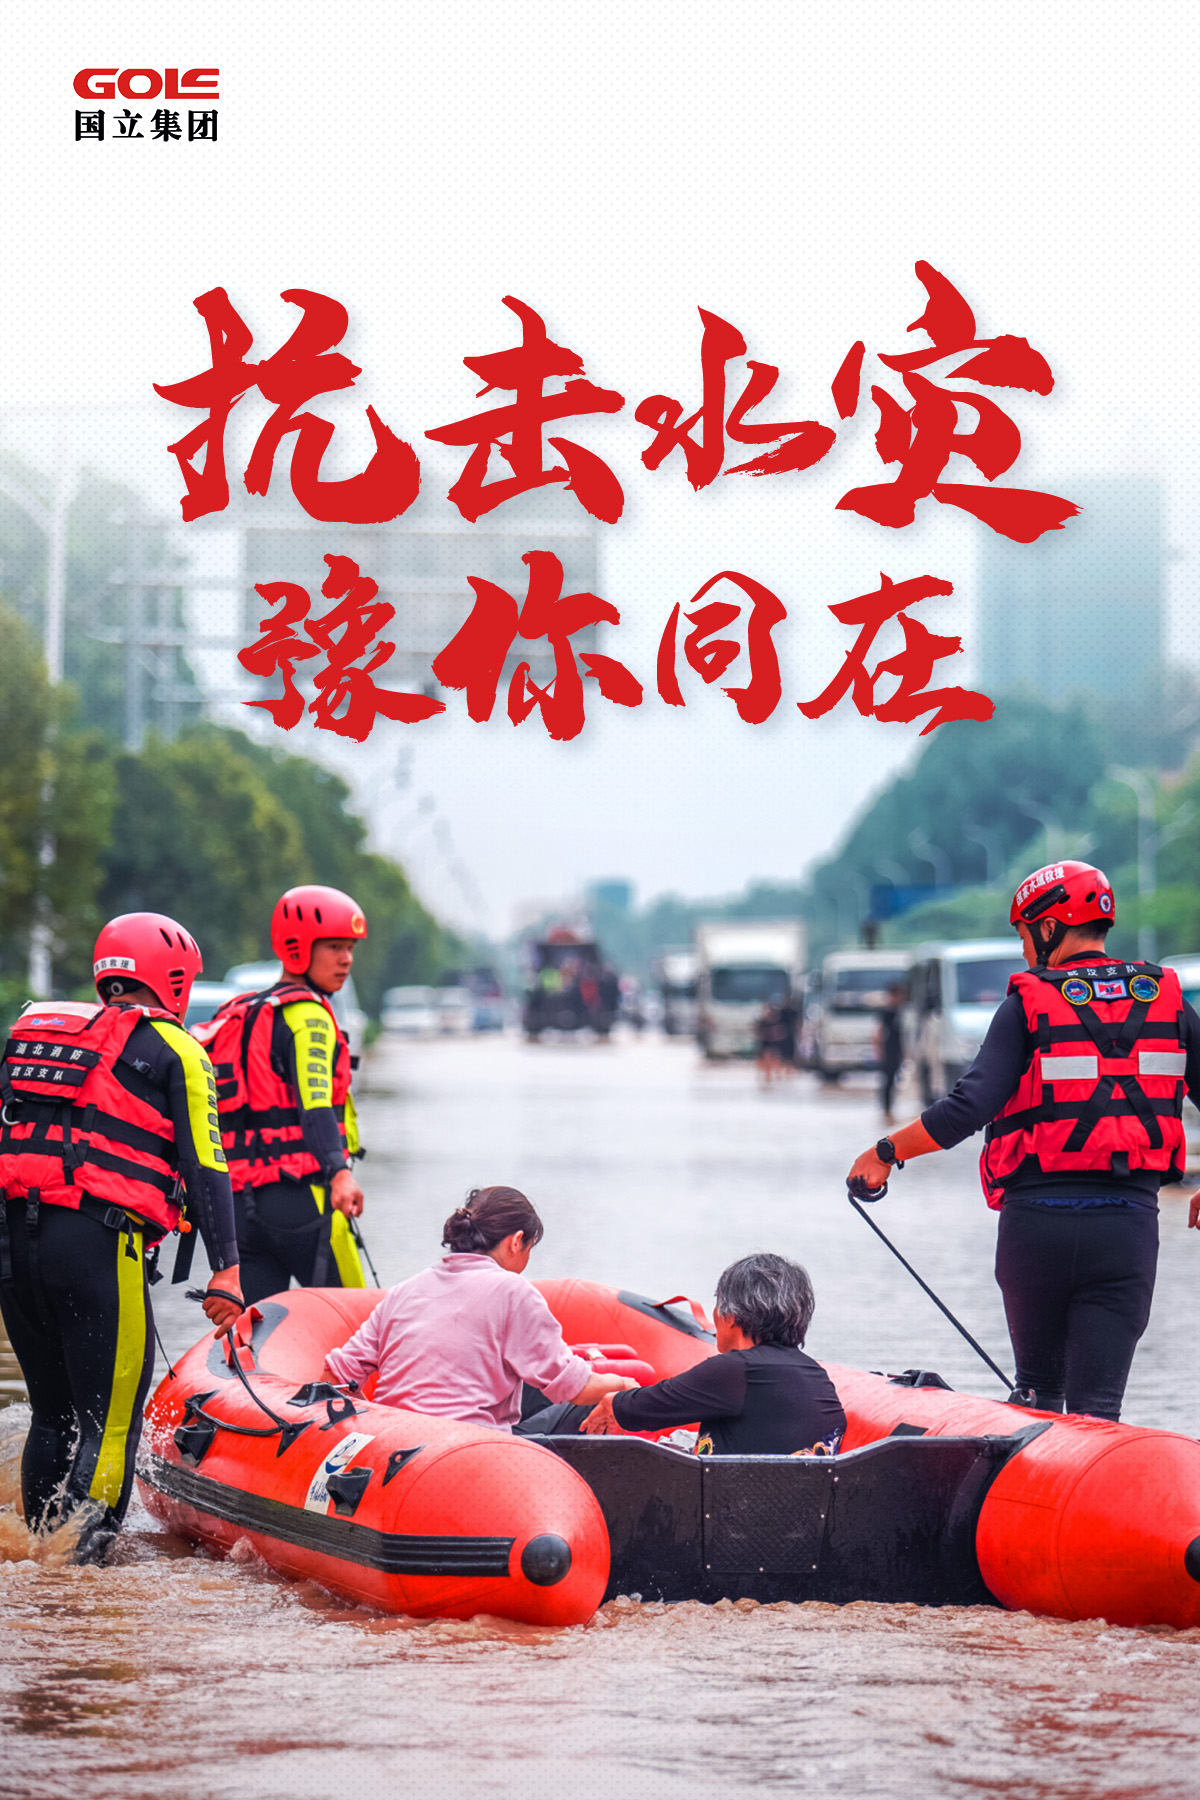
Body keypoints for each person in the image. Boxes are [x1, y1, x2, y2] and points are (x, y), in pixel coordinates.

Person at [847, 861, 1200, 1422]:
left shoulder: (1026, 1003)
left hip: (1037, 1229)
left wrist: (884, 1153)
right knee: (1098, 1413)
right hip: (1127, 1228)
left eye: (1024, 935)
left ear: (1049, 927)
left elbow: (968, 1107)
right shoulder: (1168, 999)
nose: (1024, 950)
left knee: (1037, 1395)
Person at [0, 912, 243, 1562]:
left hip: (13, 1248)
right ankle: (80, 1576)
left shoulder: (40, 1038)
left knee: (51, 1415)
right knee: (107, 1425)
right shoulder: (177, 1050)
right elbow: (207, 1165)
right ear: (175, 978)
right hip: (97, 1248)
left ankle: (37, 1564)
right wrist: (226, 1268)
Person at [321, 1185, 637, 1428]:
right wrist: (625, 1389)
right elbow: (576, 1388)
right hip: (473, 1456)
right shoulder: (513, 1292)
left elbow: (335, 1375)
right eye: (530, 1248)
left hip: (395, 1446)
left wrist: (370, 1423)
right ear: (516, 1241)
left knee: (529, 1391)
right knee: (591, 1404)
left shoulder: (402, 1291)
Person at [197, 884, 368, 1306]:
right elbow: (315, 1105)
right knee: (356, 1325)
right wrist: (339, 1172)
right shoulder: (309, 1016)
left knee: (258, 1332)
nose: (346, 959)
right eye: (334, 947)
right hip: (302, 1199)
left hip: (241, 1210)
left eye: (350, 948)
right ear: (297, 949)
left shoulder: (239, 1013)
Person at [533, 1252, 846, 1456]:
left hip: (725, 1522)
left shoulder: (735, 1371)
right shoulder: (817, 1376)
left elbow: (647, 1407)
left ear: (731, 1316)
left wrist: (613, 1400)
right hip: (787, 1522)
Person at [875, 982, 907, 1123]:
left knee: (894, 1080)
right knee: (887, 1080)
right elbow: (878, 1033)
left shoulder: (901, 1012)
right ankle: (886, 1108)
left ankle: (890, 1108)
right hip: (888, 1050)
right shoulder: (886, 1013)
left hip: (897, 1050)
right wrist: (879, 1051)